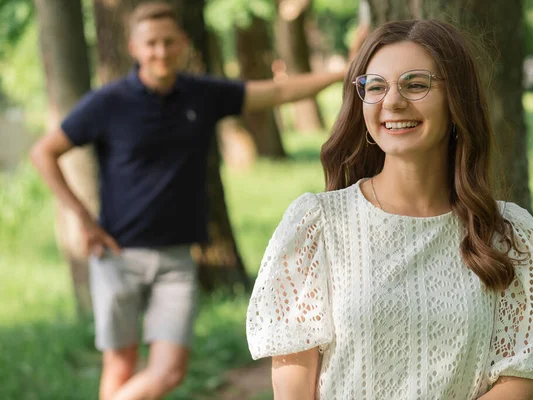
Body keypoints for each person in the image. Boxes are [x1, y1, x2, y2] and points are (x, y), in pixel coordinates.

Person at [28, 2, 355, 399]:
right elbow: (43, 152)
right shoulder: (108, 102)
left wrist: (345, 73)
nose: (161, 51)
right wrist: (81, 217)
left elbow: (279, 90)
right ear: (133, 47)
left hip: (177, 259)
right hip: (117, 255)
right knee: (121, 365)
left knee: (169, 372)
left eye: (169, 42)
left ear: (183, 44)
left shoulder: (202, 95)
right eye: (151, 44)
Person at [246, 20, 533, 399]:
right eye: (376, 86)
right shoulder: (317, 224)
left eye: (416, 84)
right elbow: (293, 388)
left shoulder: (508, 234)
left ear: (457, 100)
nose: (392, 102)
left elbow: (518, 378)